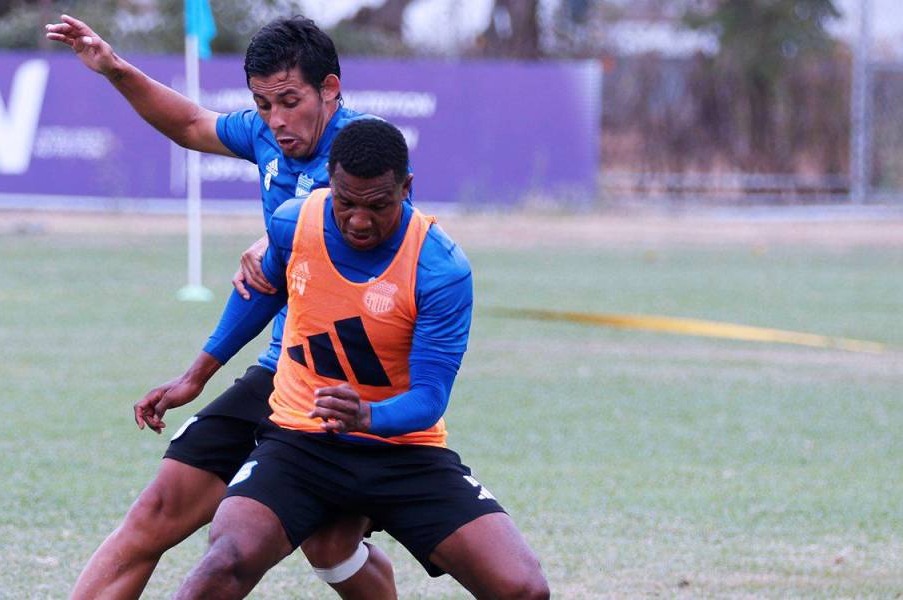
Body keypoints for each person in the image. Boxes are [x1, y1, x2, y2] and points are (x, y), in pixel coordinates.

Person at [45, 14, 399, 599]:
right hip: (279, 365)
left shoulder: (362, 151)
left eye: (290, 101)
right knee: (156, 511)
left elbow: (370, 229)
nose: (277, 121)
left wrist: (286, 236)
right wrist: (114, 68)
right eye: (263, 104)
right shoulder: (266, 134)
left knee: (330, 545)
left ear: (330, 89)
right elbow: (189, 123)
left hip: (350, 384)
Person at [141, 119, 550, 599]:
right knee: (223, 562)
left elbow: (429, 399)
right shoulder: (295, 222)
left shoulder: (439, 269)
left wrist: (366, 415)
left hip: (404, 450)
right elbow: (262, 291)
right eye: (346, 202)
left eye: (377, 205)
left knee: (524, 588)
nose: (358, 220)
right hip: (300, 442)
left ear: (407, 189)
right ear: (330, 184)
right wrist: (197, 374)